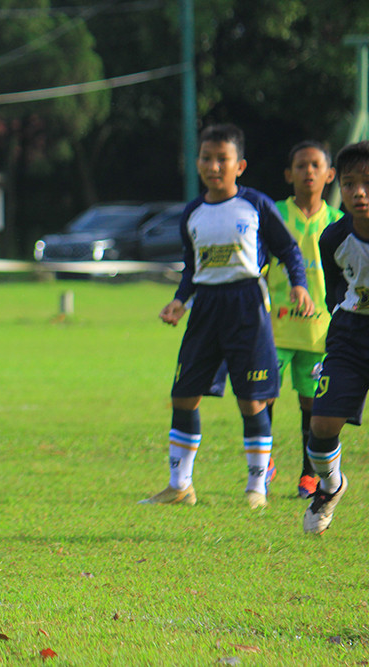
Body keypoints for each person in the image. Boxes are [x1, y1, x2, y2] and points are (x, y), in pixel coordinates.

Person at [140, 123, 314, 510]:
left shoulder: (255, 204)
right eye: (206, 158)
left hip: (247, 304)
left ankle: (257, 488)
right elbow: (192, 267)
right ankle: (179, 486)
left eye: (223, 159)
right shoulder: (193, 213)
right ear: (198, 163)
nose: (213, 166)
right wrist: (179, 301)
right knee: (183, 395)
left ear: (240, 165)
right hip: (206, 308)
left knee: (251, 401)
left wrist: (299, 285)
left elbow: (289, 250)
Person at [265, 141, 343, 498]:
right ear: (288, 174)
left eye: (315, 165)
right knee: (262, 396)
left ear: (329, 175)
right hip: (274, 326)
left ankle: (308, 474)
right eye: (300, 165)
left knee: (312, 405)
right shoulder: (275, 213)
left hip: (318, 330)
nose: (308, 172)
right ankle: (262, 460)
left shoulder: (339, 222)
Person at [301, 140, 369, 534]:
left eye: (367, 183)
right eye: (349, 184)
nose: (358, 192)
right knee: (321, 427)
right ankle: (330, 486)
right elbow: (334, 294)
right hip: (350, 335)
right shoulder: (332, 239)